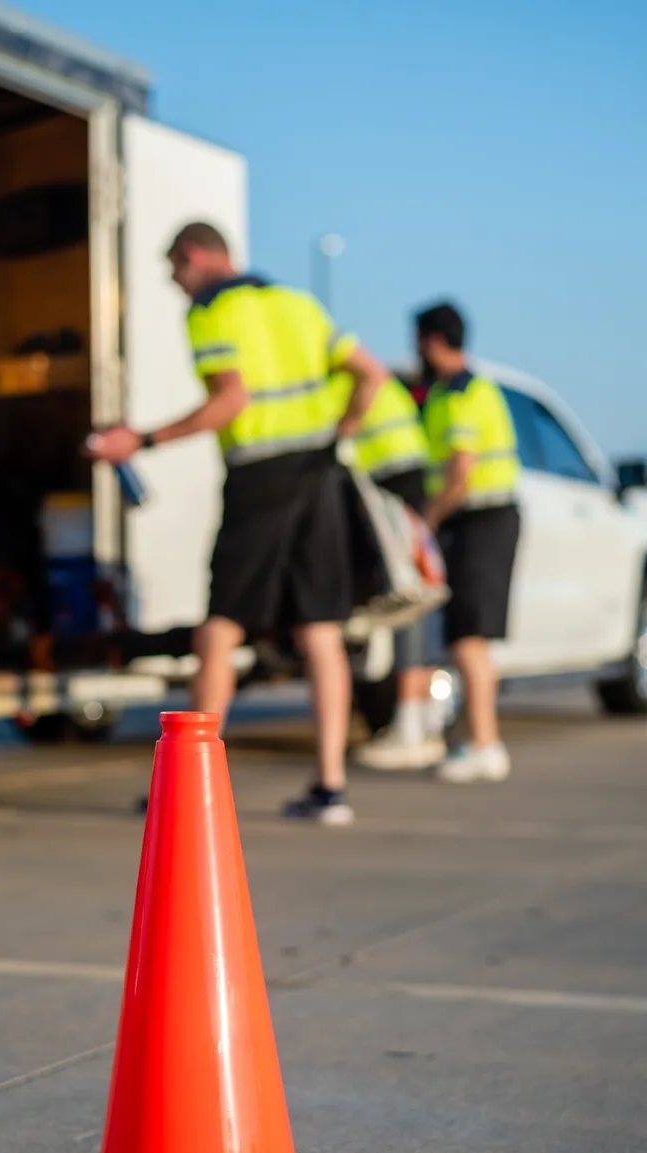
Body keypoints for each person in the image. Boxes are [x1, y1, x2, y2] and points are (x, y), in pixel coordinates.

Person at [86, 220, 387, 824]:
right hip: (319, 476)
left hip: (259, 482)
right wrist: (340, 433)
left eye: (175, 270)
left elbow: (231, 401)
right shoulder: (298, 305)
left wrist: (141, 439)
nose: (177, 284)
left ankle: (188, 791)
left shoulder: (212, 312)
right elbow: (371, 374)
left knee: (220, 629)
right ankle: (330, 787)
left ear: (195, 257)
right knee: (321, 633)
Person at [413, 301, 520, 782]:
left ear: (432, 341)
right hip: (482, 519)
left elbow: (460, 470)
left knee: (468, 639)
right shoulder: (464, 390)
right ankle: (481, 739)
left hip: (480, 519)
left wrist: (427, 520)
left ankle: (484, 744)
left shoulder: (458, 394)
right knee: (469, 639)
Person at [331, 371, 447, 769]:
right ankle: (421, 721)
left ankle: (412, 724)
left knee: (409, 601)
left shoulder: (341, 373)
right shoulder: (368, 377)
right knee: (416, 600)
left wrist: (342, 431)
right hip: (400, 482)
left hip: (391, 484)